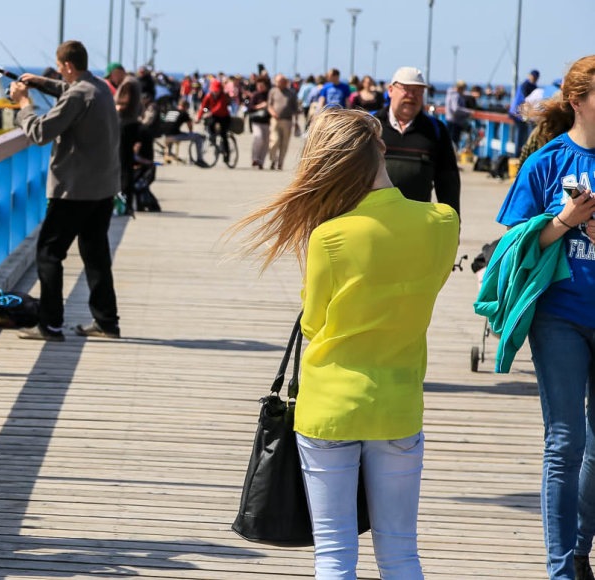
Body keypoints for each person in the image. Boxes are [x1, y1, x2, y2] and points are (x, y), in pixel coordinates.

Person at [232, 107, 459, 578]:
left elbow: (314, 325)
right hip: (398, 404)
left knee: (334, 555)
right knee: (400, 552)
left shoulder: (329, 236)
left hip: (329, 407)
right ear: (381, 149)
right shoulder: (441, 222)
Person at [494, 55, 595, 580]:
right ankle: (562, 570)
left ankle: (579, 549)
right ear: (577, 101)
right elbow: (513, 242)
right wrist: (565, 220)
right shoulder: (547, 161)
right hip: (560, 313)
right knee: (564, 441)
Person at [9, 40, 122, 341]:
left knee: (48, 254)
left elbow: (40, 133)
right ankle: (107, 322)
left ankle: (50, 324)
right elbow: (69, 91)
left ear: (68, 66)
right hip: (103, 190)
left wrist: (24, 104)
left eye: (60, 68)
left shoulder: (78, 95)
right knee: (95, 254)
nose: (59, 72)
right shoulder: (98, 88)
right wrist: (39, 82)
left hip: (74, 192)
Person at [376, 66, 461, 217]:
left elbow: (448, 181)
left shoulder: (436, 130)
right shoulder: (370, 125)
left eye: (418, 91)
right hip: (374, 220)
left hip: (417, 222)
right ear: (390, 90)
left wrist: (453, 221)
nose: (411, 96)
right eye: (406, 89)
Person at [107, 63, 141, 215]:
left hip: (125, 126)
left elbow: (124, 104)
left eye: (112, 76)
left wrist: (110, 108)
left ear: (118, 72)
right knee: (126, 164)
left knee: (124, 165)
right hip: (131, 125)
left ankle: (124, 201)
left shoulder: (127, 84)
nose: (113, 80)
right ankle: (126, 201)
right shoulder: (133, 82)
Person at [267, 73, 301, 171]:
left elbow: (296, 109)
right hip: (275, 120)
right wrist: (273, 113)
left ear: (285, 83)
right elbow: (269, 105)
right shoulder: (273, 91)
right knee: (274, 141)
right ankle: (273, 158)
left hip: (287, 121)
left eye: (280, 81)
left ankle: (280, 163)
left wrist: (296, 122)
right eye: (276, 81)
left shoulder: (291, 93)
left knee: (284, 143)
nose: (278, 83)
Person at [161, 99, 206, 166]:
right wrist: (191, 133)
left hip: (164, 135)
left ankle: (168, 155)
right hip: (174, 136)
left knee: (171, 132)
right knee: (198, 137)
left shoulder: (171, 111)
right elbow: (189, 125)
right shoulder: (183, 113)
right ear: (185, 106)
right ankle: (200, 160)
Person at [197, 79, 233, 162]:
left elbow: (220, 107)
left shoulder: (223, 96)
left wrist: (211, 112)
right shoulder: (209, 96)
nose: (215, 92)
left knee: (223, 135)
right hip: (214, 116)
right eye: (213, 90)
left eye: (216, 90)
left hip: (224, 116)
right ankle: (212, 141)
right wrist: (198, 117)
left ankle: (226, 155)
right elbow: (203, 107)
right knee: (210, 126)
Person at [510, 69, 540, 156]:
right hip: (519, 113)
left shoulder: (528, 85)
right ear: (529, 76)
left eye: (535, 77)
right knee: (520, 136)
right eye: (533, 77)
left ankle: (519, 155)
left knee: (522, 136)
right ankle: (516, 156)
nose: (534, 79)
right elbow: (527, 99)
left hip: (520, 113)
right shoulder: (526, 85)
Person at [246, 77, 271, 168]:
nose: (260, 87)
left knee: (266, 142)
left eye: (262, 86)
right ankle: (255, 158)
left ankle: (261, 161)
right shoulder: (255, 95)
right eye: (258, 86)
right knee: (258, 138)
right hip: (256, 121)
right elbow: (250, 108)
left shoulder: (269, 95)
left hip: (267, 122)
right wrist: (260, 106)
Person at [445, 80, 475, 149]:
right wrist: (468, 112)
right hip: (455, 122)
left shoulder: (450, 93)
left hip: (451, 120)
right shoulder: (456, 95)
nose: (464, 91)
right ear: (460, 88)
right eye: (463, 89)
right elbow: (455, 109)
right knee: (453, 143)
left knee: (450, 142)